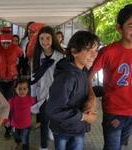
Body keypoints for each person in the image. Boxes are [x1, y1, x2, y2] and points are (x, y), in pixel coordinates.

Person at [87, 4, 132, 150]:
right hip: (115, 111)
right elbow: (89, 75)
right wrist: (92, 96)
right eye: (131, 25)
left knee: (122, 144)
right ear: (119, 28)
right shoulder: (108, 52)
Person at [46, 31, 99, 150]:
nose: (95, 55)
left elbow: (85, 85)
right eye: (89, 50)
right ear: (74, 52)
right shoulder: (67, 78)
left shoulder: (82, 69)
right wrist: (84, 117)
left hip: (77, 128)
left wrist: (93, 97)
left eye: (96, 50)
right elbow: (53, 110)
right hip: (64, 130)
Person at [30, 26, 64, 150]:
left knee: (55, 121)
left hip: (57, 95)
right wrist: (33, 96)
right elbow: (33, 79)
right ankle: (43, 146)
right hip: (42, 95)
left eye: (48, 38)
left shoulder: (61, 57)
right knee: (44, 121)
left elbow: (64, 78)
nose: (45, 42)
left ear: (53, 39)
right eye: (41, 39)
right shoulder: (36, 58)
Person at [0, 26, 24, 138]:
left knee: (9, 104)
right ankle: (7, 124)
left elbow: (22, 55)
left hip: (12, 80)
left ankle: (9, 127)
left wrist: (19, 70)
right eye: (3, 43)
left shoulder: (15, 48)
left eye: (8, 43)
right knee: (2, 105)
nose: (6, 45)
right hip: (0, 80)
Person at [9, 77, 35, 150]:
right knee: (16, 137)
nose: (22, 91)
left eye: (24, 89)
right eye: (19, 89)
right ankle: (17, 143)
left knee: (25, 140)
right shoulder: (12, 101)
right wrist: (6, 120)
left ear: (28, 89)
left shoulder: (31, 99)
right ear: (15, 89)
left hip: (26, 125)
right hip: (15, 124)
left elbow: (36, 108)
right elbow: (7, 111)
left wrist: (37, 120)